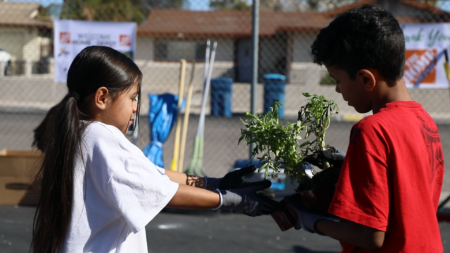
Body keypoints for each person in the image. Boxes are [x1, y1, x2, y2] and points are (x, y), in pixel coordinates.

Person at [30, 46, 277, 253]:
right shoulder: (101, 137)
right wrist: (231, 200)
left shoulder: (81, 133)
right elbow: (161, 190)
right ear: (102, 97)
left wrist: (214, 182)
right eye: (133, 98)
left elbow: (153, 173)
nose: (136, 107)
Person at [284, 4, 444, 252]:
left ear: (365, 79)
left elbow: (370, 236)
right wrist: (349, 166)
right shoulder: (425, 122)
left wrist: (309, 221)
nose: (337, 89)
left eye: (338, 80)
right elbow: (410, 197)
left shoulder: (371, 130)